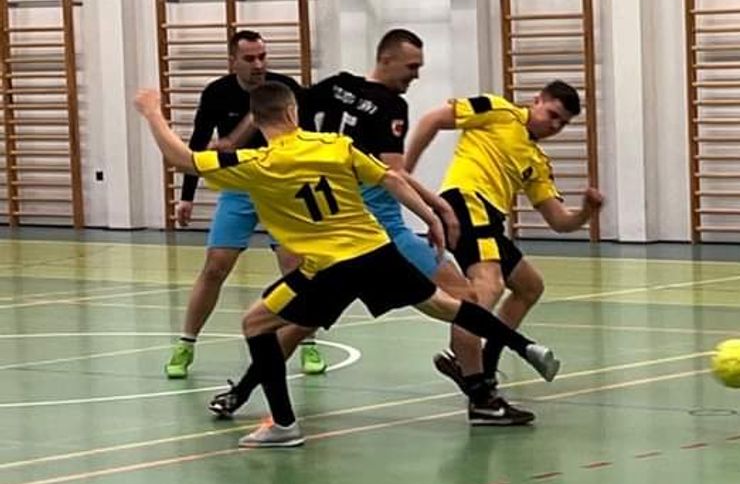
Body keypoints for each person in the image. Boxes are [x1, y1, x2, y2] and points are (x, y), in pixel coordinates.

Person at [134, 82, 561, 448]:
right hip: (378, 252)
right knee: (447, 306)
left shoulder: (256, 164)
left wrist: (153, 112)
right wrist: (432, 216)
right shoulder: (336, 146)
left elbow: (182, 159)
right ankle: (526, 347)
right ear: (293, 112)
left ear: (259, 121)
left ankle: (283, 424)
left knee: (256, 323)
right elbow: (392, 178)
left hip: (327, 268)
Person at [203, 31, 530, 428]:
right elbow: (393, 174)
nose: (415, 76)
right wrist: (437, 207)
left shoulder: (335, 88)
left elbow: (271, 112)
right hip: (379, 234)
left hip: (334, 238)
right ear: (386, 59)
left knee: (299, 323)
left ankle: (241, 391)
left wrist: (233, 141)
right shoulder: (390, 105)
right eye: (412, 67)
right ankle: (481, 395)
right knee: (465, 299)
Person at [401, 82, 603, 415]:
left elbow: (559, 221)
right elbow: (432, 119)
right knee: (487, 288)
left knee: (530, 286)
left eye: (563, 123)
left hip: (490, 219)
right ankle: (476, 385)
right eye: (552, 114)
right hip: (466, 202)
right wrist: (403, 171)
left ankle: (483, 363)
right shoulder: (497, 110)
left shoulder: (536, 161)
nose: (555, 125)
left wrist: (586, 212)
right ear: (536, 100)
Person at [164, 30, 324, 379]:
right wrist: (187, 197)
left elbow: (310, 137)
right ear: (232, 61)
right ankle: (186, 343)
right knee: (215, 266)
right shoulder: (217, 93)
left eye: (263, 57)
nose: (258, 64)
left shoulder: (284, 89)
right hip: (240, 187)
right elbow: (198, 144)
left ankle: (308, 343)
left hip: (283, 189)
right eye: (250, 58)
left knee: (296, 267)